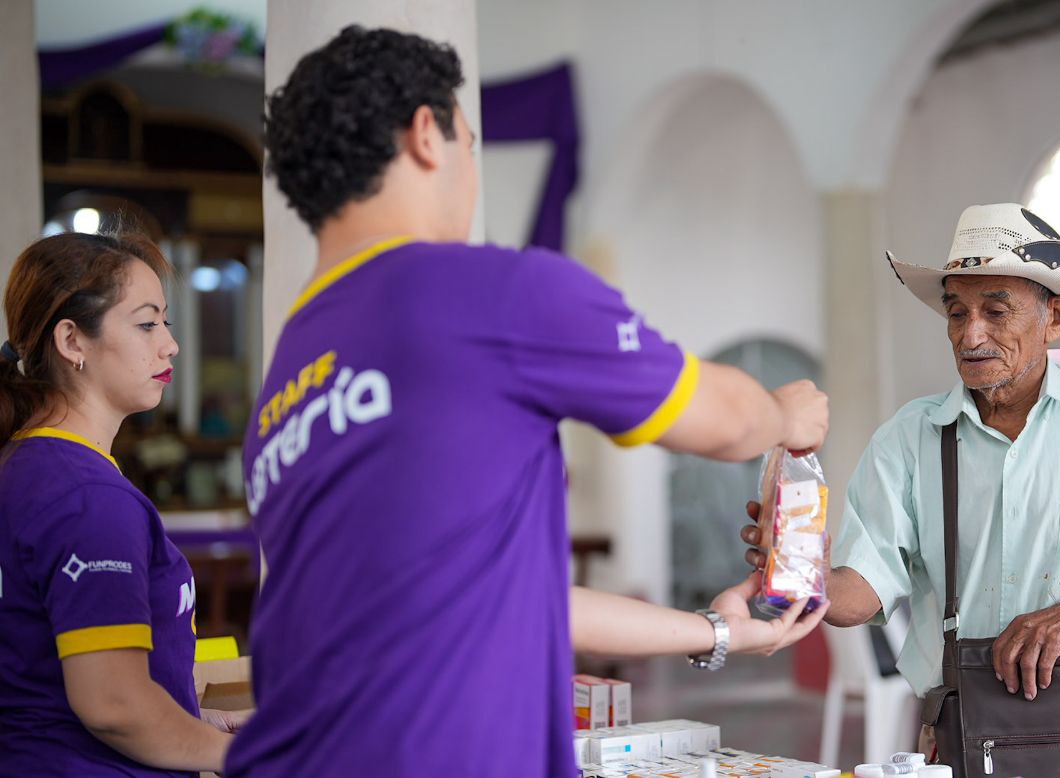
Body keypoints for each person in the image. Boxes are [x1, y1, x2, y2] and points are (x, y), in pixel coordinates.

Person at [226, 27, 829, 777]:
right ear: (426, 135)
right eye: (469, 143)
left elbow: (516, 596)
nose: (471, 168)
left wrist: (715, 632)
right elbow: (727, 421)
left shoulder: (289, 380)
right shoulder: (490, 292)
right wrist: (786, 414)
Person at [742, 203, 1060, 747]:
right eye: (956, 312)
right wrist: (804, 575)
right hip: (962, 728)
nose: (969, 335)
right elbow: (865, 591)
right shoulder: (909, 439)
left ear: (1054, 318)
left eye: (996, 311)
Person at [0, 232, 249, 776]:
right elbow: (114, 706)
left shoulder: (27, 467)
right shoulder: (86, 496)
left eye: (167, 323)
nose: (170, 344)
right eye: (147, 323)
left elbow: (42, 678)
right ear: (72, 341)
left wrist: (188, 721)